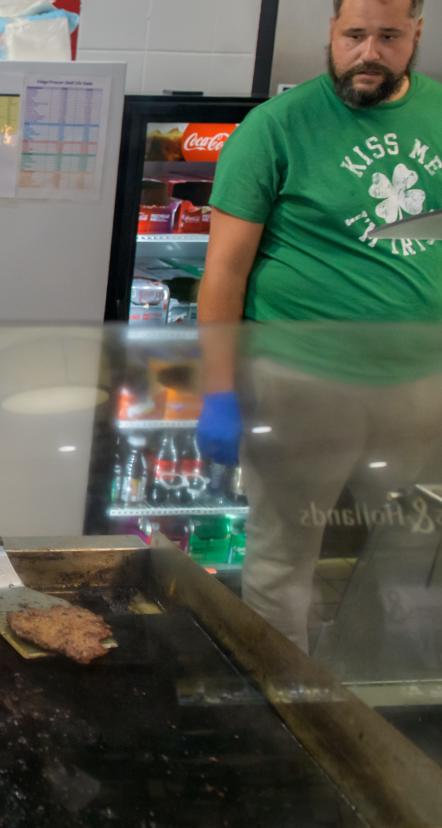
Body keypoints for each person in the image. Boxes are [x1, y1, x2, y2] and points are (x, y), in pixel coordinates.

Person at [196, 0, 442, 649]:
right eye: (354, 35)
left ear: (416, 34)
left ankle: (363, 708)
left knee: (406, 562)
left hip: (420, 388)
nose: (369, 52)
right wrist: (220, 392)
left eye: (388, 36)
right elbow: (222, 273)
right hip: (297, 386)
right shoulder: (276, 126)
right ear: (331, 33)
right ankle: (286, 715)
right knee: (283, 563)